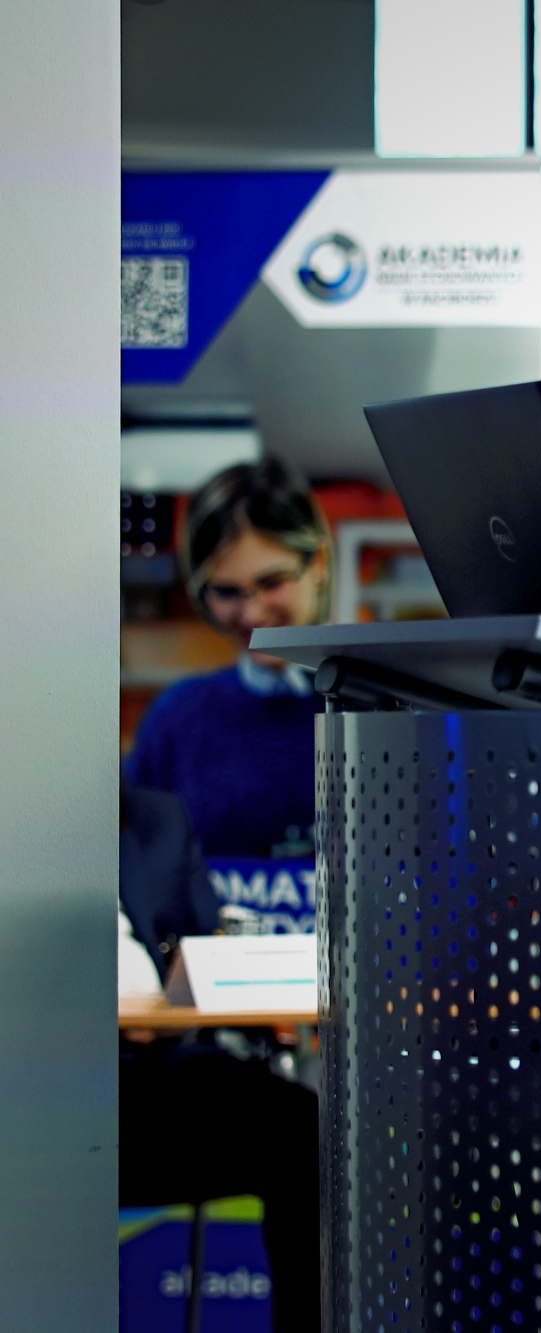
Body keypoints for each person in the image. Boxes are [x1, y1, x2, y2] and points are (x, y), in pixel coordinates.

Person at [118, 781, 319, 1332]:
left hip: (158, 1074)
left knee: (307, 1132)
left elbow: (210, 939)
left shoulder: (155, 817)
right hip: (37, 1080)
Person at [125, 459, 330, 860]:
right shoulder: (176, 721)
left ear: (318, 564)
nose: (251, 614)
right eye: (226, 591)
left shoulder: (380, 710)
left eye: (272, 583)